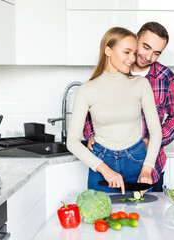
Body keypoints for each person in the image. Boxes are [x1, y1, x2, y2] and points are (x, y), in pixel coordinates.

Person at [83, 22, 174, 192]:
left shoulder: (166, 78)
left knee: (147, 217)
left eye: (157, 53)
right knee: (108, 216)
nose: (149, 56)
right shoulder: (112, 71)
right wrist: (91, 135)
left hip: (149, 166)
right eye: (146, 47)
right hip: (107, 164)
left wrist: (149, 142)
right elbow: (89, 113)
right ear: (135, 38)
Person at [67, 27, 162, 195]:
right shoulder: (86, 90)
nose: (132, 59)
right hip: (101, 163)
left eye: (134, 53)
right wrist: (105, 170)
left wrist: (147, 169)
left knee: (139, 219)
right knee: (100, 219)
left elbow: (156, 132)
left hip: (136, 162)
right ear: (108, 50)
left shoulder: (140, 84)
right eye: (126, 52)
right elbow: (72, 142)